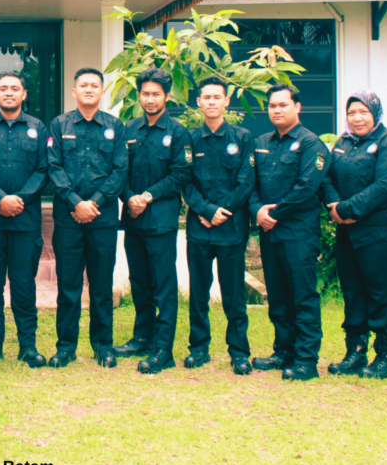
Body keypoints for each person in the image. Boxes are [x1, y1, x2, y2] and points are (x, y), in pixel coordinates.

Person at [322, 91, 387, 380]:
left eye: (363, 112)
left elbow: (385, 186)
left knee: (382, 295)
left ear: (375, 113)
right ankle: (355, 353)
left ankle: (386, 357)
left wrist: (347, 209)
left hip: (380, 234)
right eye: (351, 113)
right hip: (348, 233)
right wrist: (334, 205)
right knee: (353, 294)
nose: (356, 118)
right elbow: (327, 178)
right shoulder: (343, 142)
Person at [47, 68, 128, 369]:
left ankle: (103, 346)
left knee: (101, 285)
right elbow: (53, 166)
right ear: (74, 91)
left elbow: (120, 170)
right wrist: (75, 202)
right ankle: (66, 347)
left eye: (95, 85)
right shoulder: (59, 124)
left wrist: (93, 203)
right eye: (83, 85)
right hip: (68, 218)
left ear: (103, 92)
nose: (89, 89)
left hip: (103, 218)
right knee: (68, 286)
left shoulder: (115, 126)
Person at [0, 71, 50, 368]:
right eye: (3, 88)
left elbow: (44, 169)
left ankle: (28, 345)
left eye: (15, 88)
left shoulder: (37, 127)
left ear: (24, 94)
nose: (9, 93)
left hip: (24, 222)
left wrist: (19, 200)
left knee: (23, 284)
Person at [249, 83, 330, 381]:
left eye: (283, 104)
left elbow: (306, 188)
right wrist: (257, 210)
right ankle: (283, 351)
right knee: (279, 295)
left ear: (297, 107)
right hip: (270, 232)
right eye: (272, 106)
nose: (277, 110)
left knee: (302, 296)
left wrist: (273, 213)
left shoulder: (311, 144)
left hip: (299, 233)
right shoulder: (261, 142)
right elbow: (250, 184)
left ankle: (306, 360)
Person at [117, 67, 193, 374]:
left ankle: (164, 349)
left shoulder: (178, 132)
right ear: (139, 95)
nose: (150, 99)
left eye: (156, 94)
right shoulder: (129, 129)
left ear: (167, 96)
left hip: (160, 222)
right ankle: (142, 338)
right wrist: (129, 198)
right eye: (145, 94)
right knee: (139, 282)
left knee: (164, 286)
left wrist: (145, 197)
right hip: (133, 220)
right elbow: (118, 170)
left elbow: (180, 174)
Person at [181, 77, 254, 375]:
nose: (211, 102)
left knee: (234, 294)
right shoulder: (189, 139)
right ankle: (198, 348)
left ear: (226, 101)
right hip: (199, 228)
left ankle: (239, 352)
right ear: (198, 102)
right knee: (199, 292)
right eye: (206, 97)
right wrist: (206, 211)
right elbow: (185, 181)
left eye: (217, 97)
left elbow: (246, 181)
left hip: (231, 228)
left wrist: (220, 211)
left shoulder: (242, 137)